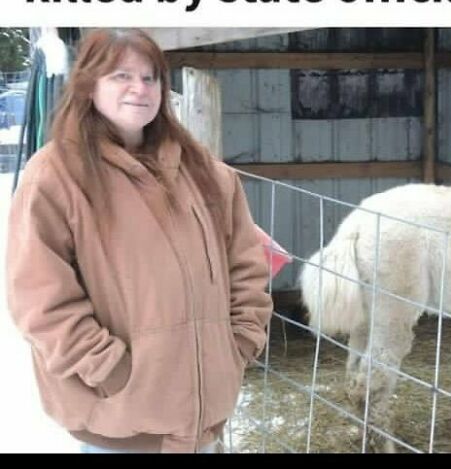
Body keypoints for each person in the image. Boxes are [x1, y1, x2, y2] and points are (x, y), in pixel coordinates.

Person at [6, 29, 273, 453]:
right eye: (120, 76)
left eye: (151, 78)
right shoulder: (55, 177)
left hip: (204, 423)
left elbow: (246, 265)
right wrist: (111, 370)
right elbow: (39, 300)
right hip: (120, 427)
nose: (140, 89)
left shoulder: (204, 170)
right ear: (89, 84)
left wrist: (239, 342)